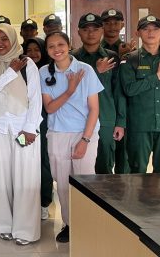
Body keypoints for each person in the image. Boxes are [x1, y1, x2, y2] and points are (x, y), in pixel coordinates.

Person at [0, 23, 42, 245]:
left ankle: (25, 230)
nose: (0, 43)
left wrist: (31, 128)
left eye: (4, 38)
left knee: (26, 179)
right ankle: (3, 225)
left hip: (22, 128)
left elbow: (35, 98)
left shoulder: (27, 63)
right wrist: (10, 71)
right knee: (0, 179)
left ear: (13, 39)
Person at [40, 31, 103, 243]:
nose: (56, 49)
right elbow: (50, 108)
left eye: (60, 44)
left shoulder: (85, 70)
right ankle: (69, 224)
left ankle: (87, 224)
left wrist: (85, 140)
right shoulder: (43, 72)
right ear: (47, 50)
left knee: (85, 182)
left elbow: (94, 109)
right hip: (57, 134)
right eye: (51, 46)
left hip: (84, 133)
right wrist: (69, 90)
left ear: (69, 45)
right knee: (62, 183)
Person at [73, 13, 125, 174]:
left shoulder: (111, 57)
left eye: (95, 29)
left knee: (104, 168)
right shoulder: (72, 58)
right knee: (80, 168)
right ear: (79, 32)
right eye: (86, 29)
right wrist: (96, 72)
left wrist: (120, 122)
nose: (91, 33)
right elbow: (70, 90)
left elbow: (118, 91)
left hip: (105, 119)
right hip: (78, 120)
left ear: (101, 31)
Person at [120, 15, 160, 173]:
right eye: (146, 29)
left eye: (155, 29)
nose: (150, 32)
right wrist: (158, 76)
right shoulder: (130, 60)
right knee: (137, 172)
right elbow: (129, 89)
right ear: (138, 33)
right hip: (139, 126)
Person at [23, 38, 53, 220]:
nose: (33, 54)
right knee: (24, 160)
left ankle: (44, 202)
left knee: (43, 162)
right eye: (29, 50)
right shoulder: (21, 70)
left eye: (37, 49)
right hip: (24, 123)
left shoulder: (49, 71)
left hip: (44, 122)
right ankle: (26, 202)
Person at [100, 8, 133, 174]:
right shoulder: (96, 50)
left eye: (116, 23)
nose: (112, 26)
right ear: (102, 26)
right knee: (103, 159)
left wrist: (126, 57)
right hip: (103, 111)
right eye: (107, 23)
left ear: (122, 25)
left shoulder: (132, 51)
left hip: (125, 111)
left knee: (124, 158)